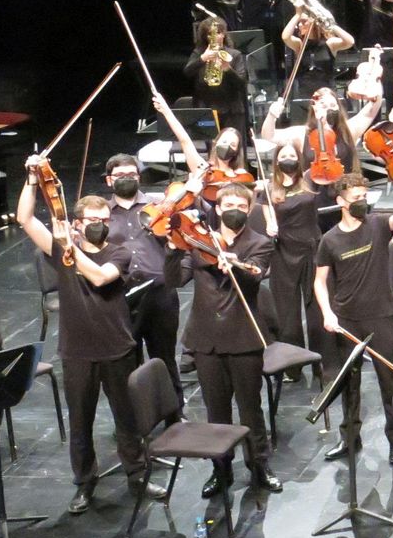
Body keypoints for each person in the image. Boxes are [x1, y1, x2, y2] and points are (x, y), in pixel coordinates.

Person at [17, 165, 163, 514]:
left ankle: (137, 473)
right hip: (78, 351)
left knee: (127, 418)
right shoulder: (61, 248)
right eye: (91, 219)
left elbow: (99, 278)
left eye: (103, 218)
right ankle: (84, 483)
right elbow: (25, 218)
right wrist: (32, 180)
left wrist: (70, 249)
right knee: (80, 421)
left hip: (117, 347)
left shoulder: (120, 251)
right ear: (78, 222)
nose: (99, 224)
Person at [163, 183, 279, 496]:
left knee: (250, 409)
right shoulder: (199, 239)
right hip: (206, 339)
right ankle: (221, 470)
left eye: (241, 206)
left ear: (249, 209)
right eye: (228, 203)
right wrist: (172, 251)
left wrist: (236, 266)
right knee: (216, 411)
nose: (234, 210)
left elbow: (256, 274)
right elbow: (176, 279)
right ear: (217, 207)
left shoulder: (260, 242)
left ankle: (260, 466)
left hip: (243, 338)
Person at [313, 173, 393, 464]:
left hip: (380, 315)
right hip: (347, 318)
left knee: (388, 381)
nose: (362, 203)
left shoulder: (377, 224)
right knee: (348, 384)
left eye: (365, 198)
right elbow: (319, 281)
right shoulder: (329, 240)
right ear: (340, 202)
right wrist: (327, 313)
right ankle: (350, 439)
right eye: (356, 199)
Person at [101, 154, 183, 397]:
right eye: (120, 175)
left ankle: (175, 413)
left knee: (165, 357)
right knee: (127, 362)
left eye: (131, 174)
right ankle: (134, 421)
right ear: (109, 181)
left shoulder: (159, 206)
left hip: (160, 292)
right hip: (122, 295)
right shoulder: (101, 213)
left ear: (139, 177)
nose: (126, 179)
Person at [259, 139, 325, 378]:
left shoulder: (309, 178)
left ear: (299, 159)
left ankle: (321, 363)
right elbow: (268, 221)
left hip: (311, 248)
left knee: (315, 307)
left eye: (292, 155)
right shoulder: (269, 189)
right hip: (283, 252)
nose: (288, 159)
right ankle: (293, 367)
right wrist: (270, 227)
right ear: (277, 160)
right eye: (283, 155)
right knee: (287, 312)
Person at [184, 16, 249, 133]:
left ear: (223, 34)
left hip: (231, 110)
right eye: (210, 34)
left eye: (219, 33)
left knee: (231, 144)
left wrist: (228, 69)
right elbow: (187, 73)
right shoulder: (199, 53)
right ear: (206, 37)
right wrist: (202, 59)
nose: (215, 37)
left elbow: (242, 83)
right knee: (211, 146)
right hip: (207, 108)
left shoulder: (235, 55)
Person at [279, 2, 355, 99]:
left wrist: (330, 24)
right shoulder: (299, 44)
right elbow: (285, 37)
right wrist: (297, 15)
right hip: (306, 95)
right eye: (299, 22)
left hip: (327, 93)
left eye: (303, 22)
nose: (299, 25)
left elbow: (350, 41)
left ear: (314, 22)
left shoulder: (329, 43)